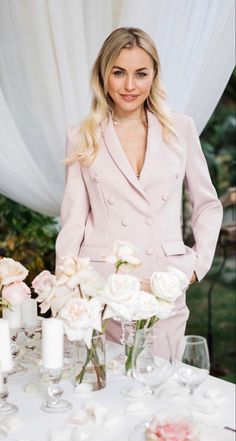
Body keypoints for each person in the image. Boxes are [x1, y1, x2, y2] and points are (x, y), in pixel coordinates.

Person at [55, 27, 223, 355]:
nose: (129, 86)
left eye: (140, 74)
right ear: (103, 75)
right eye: (119, 73)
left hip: (163, 286)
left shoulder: (180, 129)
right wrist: (69, 291)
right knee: (103, 397)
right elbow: (73, 223)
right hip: (100, 291)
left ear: (154, 76)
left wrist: (195, 266)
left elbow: (207, 203)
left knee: (161, 391)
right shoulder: (82, 136)